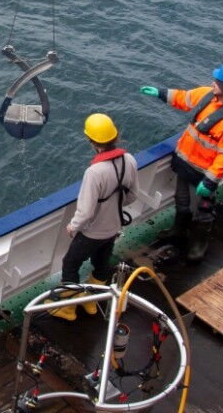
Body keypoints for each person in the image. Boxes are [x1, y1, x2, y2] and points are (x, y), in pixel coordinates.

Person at [140, 63, 223, 262]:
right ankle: (177, 232)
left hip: (204, 174)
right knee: (182, 202)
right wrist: (160, 93)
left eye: (218, 82)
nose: (213, 83)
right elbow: (183, 97)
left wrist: (209, 182)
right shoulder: (207, 95)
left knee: (203, 211)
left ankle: (199, 244)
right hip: (185, 164)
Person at [47, 113, 139, 321]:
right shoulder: (129, 160)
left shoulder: (95, 172)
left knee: (70, 263)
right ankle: (91, 300)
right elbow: (132, 195)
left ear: (92, 141)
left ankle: (68, 308)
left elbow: (86, 211)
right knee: (102, 262)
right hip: (114, 227)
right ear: (115, 137)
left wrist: (73, 226)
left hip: (93, 232)